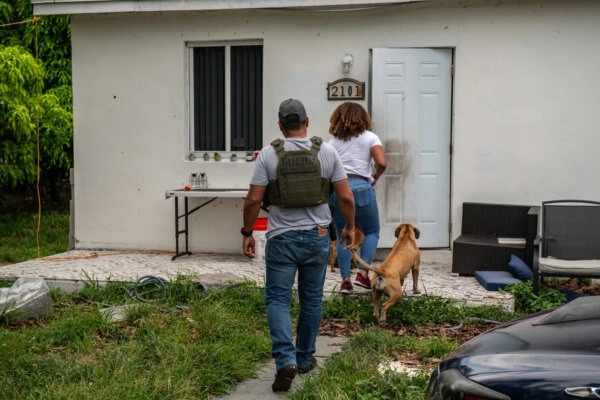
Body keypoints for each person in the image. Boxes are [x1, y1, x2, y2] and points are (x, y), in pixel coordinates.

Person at [241, 98, 355, 392]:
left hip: (281, 238)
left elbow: (253, 200)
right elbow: (345, 197)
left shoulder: (269, 155)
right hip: (317, 236)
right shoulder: (326, 152)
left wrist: (247, 232)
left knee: (278, 300)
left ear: (280, 126)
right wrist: (350, 227)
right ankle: (304, 359)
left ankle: (285, 360)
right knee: (312, 299)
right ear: (307, 122)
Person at [328, 102, 387, 294]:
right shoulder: (370, 137)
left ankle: (345, 281)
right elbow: (381, 163)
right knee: (371, 231)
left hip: (338, 190)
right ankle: (362, 273)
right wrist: (375, 177)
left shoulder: (333, 142)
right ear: (363, 118)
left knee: (343, 234)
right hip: (362, 187)